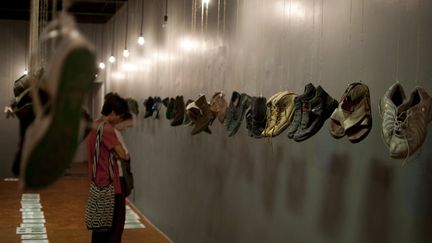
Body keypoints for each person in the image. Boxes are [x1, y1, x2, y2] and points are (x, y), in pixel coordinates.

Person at [86, 92, 130, 243]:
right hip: (112, 185)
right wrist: (122, 155)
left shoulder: (94, 125)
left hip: (98, 182)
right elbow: (123, 154)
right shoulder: (106, 128)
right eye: (119, 115)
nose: (119, 119)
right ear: (112, 112)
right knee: (114, 229)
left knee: (100, 227)